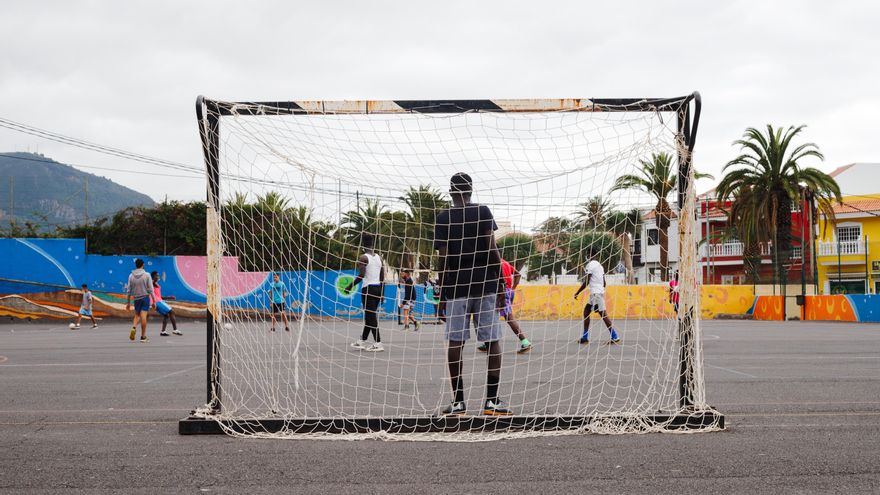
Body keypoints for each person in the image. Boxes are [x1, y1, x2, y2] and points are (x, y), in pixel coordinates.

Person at [434, 172, 512, 416]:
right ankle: (491, 401)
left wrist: (441, 294)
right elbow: (492, 248)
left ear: (451, 192)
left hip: (457, 286)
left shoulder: (444, 217)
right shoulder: (483, 212)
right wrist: (501, 284)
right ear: (470, 191)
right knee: (492, 341)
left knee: (455, 342)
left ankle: (458, 403)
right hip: (485, 283)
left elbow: (443, 258)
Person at [477, 259, 531, 354]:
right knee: (491, 317)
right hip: (508, 291)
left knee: (509, 318)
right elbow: (517, 274)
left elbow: (497, 278)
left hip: (500, 292)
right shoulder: (505, 263)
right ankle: (488, 343)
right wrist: (512, 288)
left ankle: (525, 342)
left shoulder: (493, 263)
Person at [344, 234, 385, 352]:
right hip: (377, 289)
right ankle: (362, 341)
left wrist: (349, 286)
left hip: (368, 289)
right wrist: (382, 293)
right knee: (369, 316)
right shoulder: (379, 258)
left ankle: (378, 343)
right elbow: (382, 278)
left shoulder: (363, 257)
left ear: (363, 245)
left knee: (371, 317)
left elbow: (361, 276)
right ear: (373, 244)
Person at [573, 250, 620, 345]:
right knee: (586, 312)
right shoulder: (600, 266)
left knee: (603, 315)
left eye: (587, 255)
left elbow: (587, 281)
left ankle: (615, 336)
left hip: (596, 294)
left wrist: (577, 292)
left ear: (589, 255)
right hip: (596, 293)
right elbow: (604, 282)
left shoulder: (590, 265)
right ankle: (585, 337)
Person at [126, 259, 153, 343]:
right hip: (145, 297)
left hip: (136, 298)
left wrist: (128, 303)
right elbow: (151, 289)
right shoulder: (147, 275)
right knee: (143, 316)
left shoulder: (131, 276)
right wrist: (154, 301)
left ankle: (134, 327)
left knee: (137, 315)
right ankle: (143, 336)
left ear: (136, 265)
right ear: (143, 264)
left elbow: (129, 290)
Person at [151, 271, 182, 336]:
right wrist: (152, 280)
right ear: (153, 277)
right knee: (171, 312)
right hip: (157, 302)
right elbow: (151, 283)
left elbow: (159, 297)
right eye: (157, 275)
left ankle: (163, 331)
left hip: (158, 301)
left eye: (158, 275)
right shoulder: (151, 283)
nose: (158, 276)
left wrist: (169, 297)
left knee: (166, 315)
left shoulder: (156, 284)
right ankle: (175, 330)